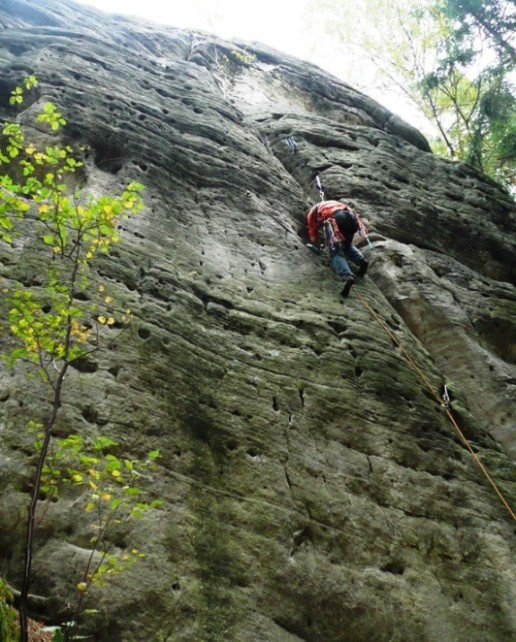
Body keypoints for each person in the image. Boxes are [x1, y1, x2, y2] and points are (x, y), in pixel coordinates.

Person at [306, 200, 369, 297]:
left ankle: (347, 276)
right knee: (346, 244)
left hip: (337, 220)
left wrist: (317, 247)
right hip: (351, 218)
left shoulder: (311, 214)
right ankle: (361, 260)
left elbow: (313, 233)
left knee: (335, 252)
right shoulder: (331, 204)